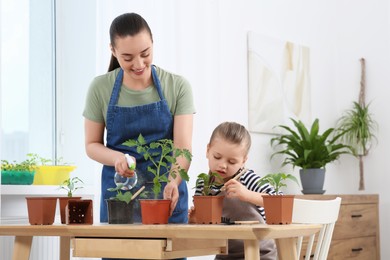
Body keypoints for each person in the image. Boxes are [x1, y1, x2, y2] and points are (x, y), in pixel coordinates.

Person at [83, 12, 194, 233]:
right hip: (120, 194)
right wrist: (117, 158)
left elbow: (183, 147)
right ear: (113, 51)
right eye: (127, 57)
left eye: (145, 53)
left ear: (153, 43)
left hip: (165, 194)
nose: (139, 63)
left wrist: (173, 182)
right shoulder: (100, 88)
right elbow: (91, 145)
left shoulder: (178, 86)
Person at [189, 122, 278, 260]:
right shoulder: (204, 185)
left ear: (243, 161)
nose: (223, 165)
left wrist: (247, 194)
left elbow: (278, 201)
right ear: (208, 150)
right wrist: (195, 220)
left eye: (232, 162)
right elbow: (206, 231)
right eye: (217, 157)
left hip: (260, 254)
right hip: (225, 255)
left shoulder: (248, 179)